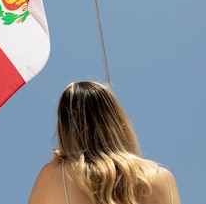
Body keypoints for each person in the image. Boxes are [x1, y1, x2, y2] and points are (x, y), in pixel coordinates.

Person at [28, 81, 180, 204]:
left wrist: (59, 166)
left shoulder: (55, 175)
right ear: (117, 119)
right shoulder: (163, 177)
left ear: (66, 129)